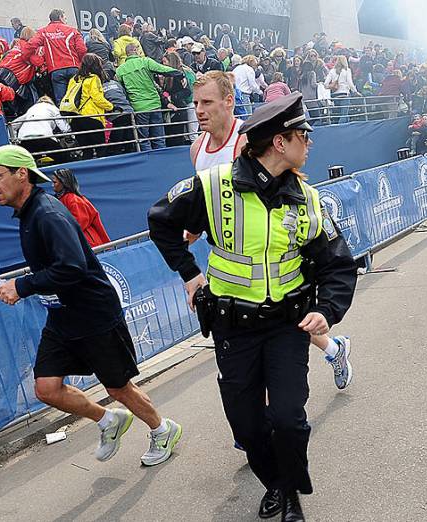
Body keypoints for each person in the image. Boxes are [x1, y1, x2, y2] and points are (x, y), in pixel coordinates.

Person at [148, 93, 357, 521]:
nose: (309, 143)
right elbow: (161, 220)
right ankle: (276, 483)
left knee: (287, 418)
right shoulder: (212, 186)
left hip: (287, 325)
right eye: (303, 135)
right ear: (280, 143)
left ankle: (292, 494)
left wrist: (328, 311)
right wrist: (191, 275)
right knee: (246, 425)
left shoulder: (308, 199)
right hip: (233, 328)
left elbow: (337, 263)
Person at [0, 145, 182, 467]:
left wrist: (21, 286)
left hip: (94, 316)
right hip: (62, 317)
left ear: (22, 174)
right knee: (46, 389)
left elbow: (72, 266)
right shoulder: (28, 213)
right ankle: (108, 421)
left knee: (119, 388)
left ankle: (163, 429)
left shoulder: (47, 214)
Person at [189, 72, 355, 389]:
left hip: (273, 248)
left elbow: (280, 183)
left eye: (207, 102)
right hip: (233, 263)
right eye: (195, 102)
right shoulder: (197, 148)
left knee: (286, 323)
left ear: (229, 102)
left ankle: (275, 420)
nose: (199, 110)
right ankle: (334, 349)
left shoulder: (248, 141)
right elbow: (205, 202)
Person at [115, 43, 182, 151]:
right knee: (159, 138)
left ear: (127, 53)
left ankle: (148, 162)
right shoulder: (146, 61)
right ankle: (161, 160)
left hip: (139, 107)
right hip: (155, 104)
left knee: (143, 139)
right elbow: (164, 70)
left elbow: (120, 89)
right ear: (136, 51)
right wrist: (180, 74)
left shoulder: (120, 70)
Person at [21, 9, 87, 104]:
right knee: (77, 99)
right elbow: (82, 49)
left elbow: (30, 46)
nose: (66, 20)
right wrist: (80, 64)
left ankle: (63, 118)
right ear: (60, 17)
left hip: (56, 70)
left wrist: (27, 58)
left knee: (62, 102)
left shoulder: (43, 32)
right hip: (74, 68)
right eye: (65, 18)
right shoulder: (73, 31)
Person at [61, 53, 113, 159]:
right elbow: (97, 98)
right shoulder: (93, 79)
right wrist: (111, 107)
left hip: (75, 118)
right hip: (91, 117)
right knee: (101, 149)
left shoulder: (74, 79)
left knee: (86, 151)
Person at [51, 168, 111, 247]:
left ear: (64, 183)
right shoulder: (62, 199)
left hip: (87, 244)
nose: (52, 185)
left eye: (54, 182)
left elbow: (77, 225)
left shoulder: (73, 200)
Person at [0, 27, 42, 117]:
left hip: (1, 73)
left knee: (7, 98)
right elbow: (37, 62)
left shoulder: (18, 44)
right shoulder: (28, 47)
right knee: (28, 97)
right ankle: (28, 116)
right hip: (12, 75)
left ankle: (12, 114)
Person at [12, 95, 72, 163]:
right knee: (63, 158)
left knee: (28, 162)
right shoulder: (52, 108)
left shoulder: (31, 109)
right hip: (43, 137)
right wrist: (70, 133)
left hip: (25, 139)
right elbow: (62, 125)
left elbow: (13, 124)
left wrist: (15, 139)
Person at [325, 55, 358, 124]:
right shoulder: (347, 70)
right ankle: (340, 128)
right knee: (344, 114)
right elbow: (350, 83)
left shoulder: (332, 71)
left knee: (339, 114)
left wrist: (332, 86)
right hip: (344, 94)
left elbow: (325, 84)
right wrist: (355, 92)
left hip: (334, 95)